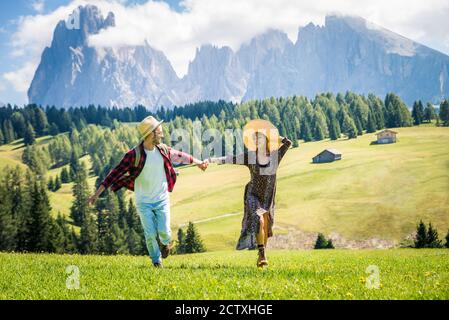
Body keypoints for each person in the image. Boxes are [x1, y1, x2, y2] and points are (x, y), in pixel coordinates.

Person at [88, 116, 208, 268]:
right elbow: (114, 174)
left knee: (165, 233)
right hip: (143, 201)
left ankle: (165, 244)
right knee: (150, 234)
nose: (162, 135)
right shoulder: (134, 155)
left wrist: (199, 163)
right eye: (159, 132)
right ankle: (156, 262)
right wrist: (96, 194)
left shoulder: (163, 150)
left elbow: (180, 156)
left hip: (161, 199)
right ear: (151, 134)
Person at [209, 119, 292, 267]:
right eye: (255, 140)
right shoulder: (250, 156)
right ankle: (262, 255)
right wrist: (213, 159)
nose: (257, 142)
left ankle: (261, 254)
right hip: (253, 195)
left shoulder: (275, 157)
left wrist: (275, 137)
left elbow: (288, 143)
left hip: (268, 198)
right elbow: (231, 159)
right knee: (259, 219)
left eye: (260, 138)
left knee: (266, 227)